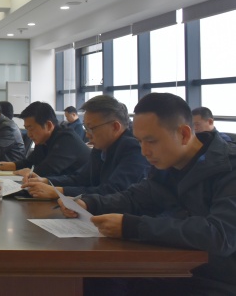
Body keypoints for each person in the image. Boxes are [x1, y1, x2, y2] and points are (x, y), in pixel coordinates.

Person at [60, 93, 236, 295]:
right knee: (91, 276)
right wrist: (89, 203)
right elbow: (135, 197)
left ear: (184, 134)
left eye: (151, 141)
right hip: (174, 268)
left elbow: (220, 235)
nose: (144, 151)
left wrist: (132, 226)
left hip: (216, 280)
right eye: (140, 141)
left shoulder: (228, 168)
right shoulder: (168, 165)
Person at [23, 95, 149, 199]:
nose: (87, 135)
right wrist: (45, 181)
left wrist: (57, 191)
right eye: (86, 128)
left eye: (91, 128)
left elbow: (112, 191)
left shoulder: (134, 148)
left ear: (115, 127)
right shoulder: (101, 146)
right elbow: (80, 178)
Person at [0, 101, 89, 177]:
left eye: (31, 129)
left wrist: (24, 172)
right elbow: (27, 163)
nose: (29, 134)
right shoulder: (43, 140)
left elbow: (44, 172)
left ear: (48, 125)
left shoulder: (66, 140)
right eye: (27, 129)